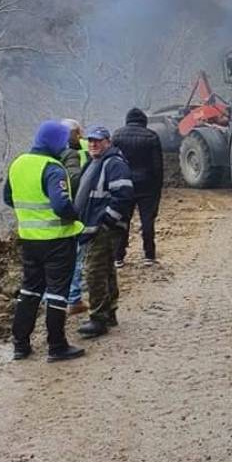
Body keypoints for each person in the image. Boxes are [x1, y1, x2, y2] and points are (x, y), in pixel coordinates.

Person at [4, 120, 85, 362]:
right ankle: (57, 346)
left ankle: (20, 344)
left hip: (29, 240)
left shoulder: (18, 164)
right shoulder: (53, 167)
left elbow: (8, 197)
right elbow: (61, 206)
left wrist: (30, 215)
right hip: (58, 240)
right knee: (58, 294)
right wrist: (76, 213)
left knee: (29, 291)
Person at [74, 126, 133, 338]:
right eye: (90, 140)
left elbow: (124, 195)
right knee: (106, 269)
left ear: (108, 142)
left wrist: (106, 222)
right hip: (93, 227)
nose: (93, 144)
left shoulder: (114, 164)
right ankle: (109, 312)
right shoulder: (94, 163)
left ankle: (98, 318)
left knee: (94, 271)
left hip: (102, 229)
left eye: (98, 141)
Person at [112, 108, 163, 267]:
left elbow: (113, 161)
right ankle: (149, 255)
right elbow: (158, 166)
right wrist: (158, 186)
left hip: (124, 184)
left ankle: (118, 257)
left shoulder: (117, 135)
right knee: (147, 221)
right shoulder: (151, 136)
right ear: (144, 121)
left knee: (122, 220)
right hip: (147, 185)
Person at [60, 119, 90, 316]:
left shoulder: (50, 153)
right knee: (77, 257)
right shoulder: (81, 151)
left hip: (51, 218)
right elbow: (77, 181)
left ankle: (56, 297)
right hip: (76, 212)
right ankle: (73, 298)